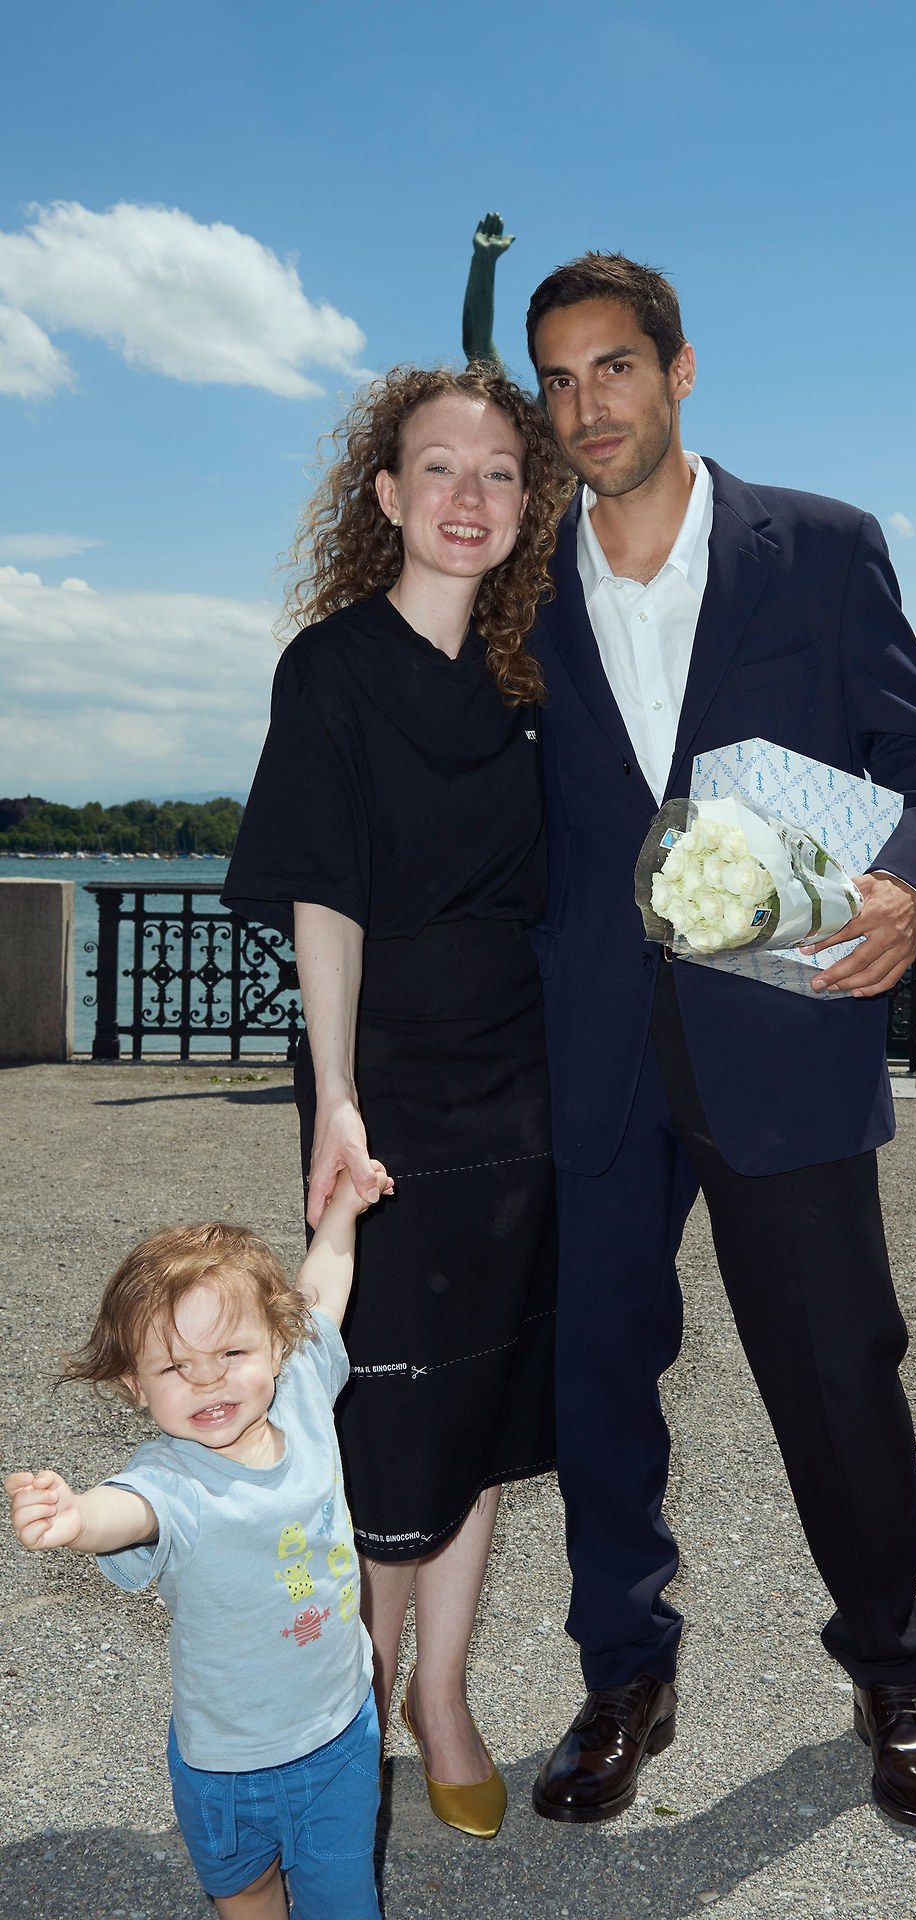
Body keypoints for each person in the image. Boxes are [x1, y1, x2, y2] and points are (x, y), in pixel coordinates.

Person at [522, 255, 916, 1831]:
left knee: (839, 1371)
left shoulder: (824, 548)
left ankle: (893, 1674)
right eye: (559, 380)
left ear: (680, 370)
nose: (587, 406)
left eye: (614, 368)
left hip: (788, 1033)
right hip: (591, 1046)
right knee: (597, 1375)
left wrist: (913, 887)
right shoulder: (518, 581)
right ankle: (622, 1676)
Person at [222, 364, 574, 1836]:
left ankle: (441, 1693)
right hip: (388, 1079)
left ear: (526, 504)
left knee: (482, 1396)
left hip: (522, 1078)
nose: (468, 497)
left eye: (499, 471)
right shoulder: (334, 668)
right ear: (386, 493)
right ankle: (356, 1697)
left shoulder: (536, 676)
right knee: (384, 1405)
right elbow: (326, 893)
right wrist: (337, 1101)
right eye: (440, 467)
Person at [5, 1169, 390, 1920]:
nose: (209, 1382)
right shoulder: (172, 1479)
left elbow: (320, 1292)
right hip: (226, 1763)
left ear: (278, 1344)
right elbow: (128, 1511)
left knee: (343, 1895)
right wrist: (76, 1517)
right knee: (242, 1889)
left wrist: (343, 1211)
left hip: (340, 1729)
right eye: (177, 1367)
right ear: (135, 1386)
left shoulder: (302, 1391)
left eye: (231, 1354)